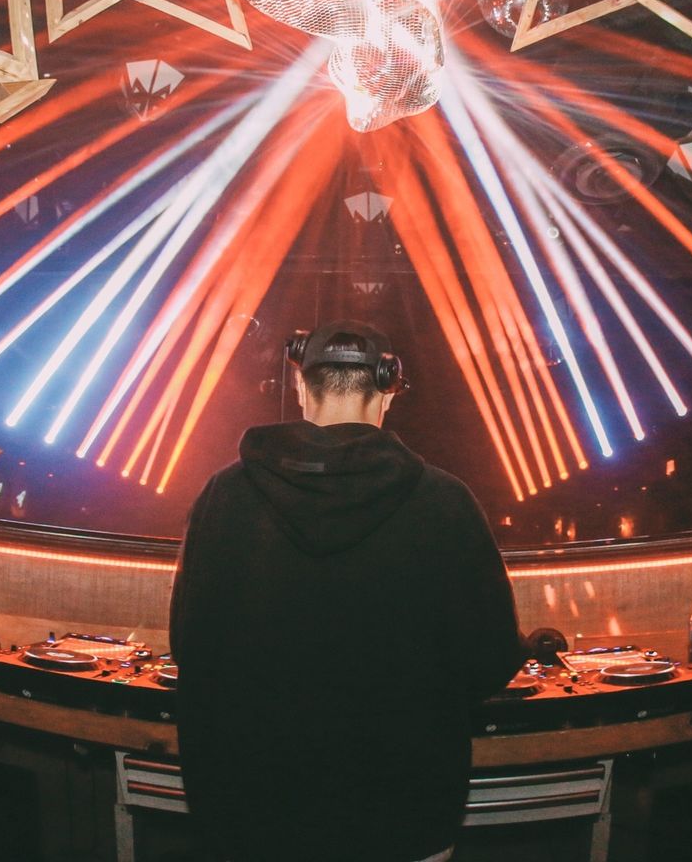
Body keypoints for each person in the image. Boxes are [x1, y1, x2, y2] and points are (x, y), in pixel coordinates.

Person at [169, 320, 523, 862]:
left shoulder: (224, 495)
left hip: (254, 810)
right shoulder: (446, 502)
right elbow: (490, 659)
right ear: (387, 389)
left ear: (300, 385)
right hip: (403, 812)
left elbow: (191, 646)